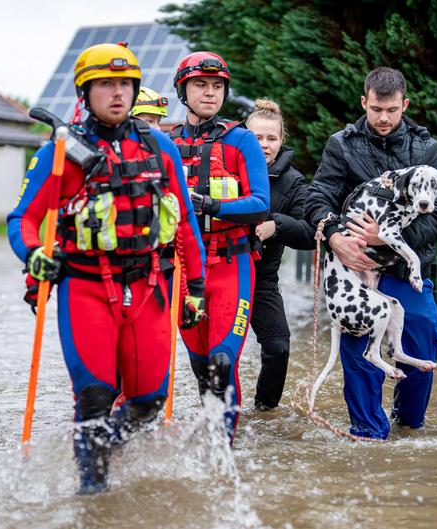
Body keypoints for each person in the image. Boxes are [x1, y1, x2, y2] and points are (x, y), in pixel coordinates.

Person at [6, 42, 207, 494]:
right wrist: (33, 253)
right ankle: (92, 492)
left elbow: (186, 225)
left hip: (150, 286)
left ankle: (101, 445)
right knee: (95, 396)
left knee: (148, 402)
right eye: (105, 85)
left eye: (124, 84)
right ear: (86, 90)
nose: (117, 93)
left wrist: (195, 287)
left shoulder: (159, 148)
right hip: (86, 288)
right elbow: (24, 220)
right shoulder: (62, 152)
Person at [304, 67, 437, 440]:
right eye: (375, 109)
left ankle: (409, 425)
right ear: (363, 103)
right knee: (358, 353)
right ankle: (369, 435)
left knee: (421, 338)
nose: (383, 118)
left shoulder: (426, 148)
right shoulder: (341, 144)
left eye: (391, 110)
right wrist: (336, 236)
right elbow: (317, 197)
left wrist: (384, 239)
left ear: (404, 104)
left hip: (404, 267)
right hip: (353, 266)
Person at [170, 51, 269, 442]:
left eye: (217, 86)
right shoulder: (164, 142)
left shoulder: (241, 140)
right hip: (182, 271)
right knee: (201, 369)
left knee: (222, 362)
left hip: (232, 266)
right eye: (200, 85)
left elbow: (261, 203)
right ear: (183, 90)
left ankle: (225, 449)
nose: (210, 93)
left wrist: (208, 204)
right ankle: (211, 439)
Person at [245, 98, 315, 411]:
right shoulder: (229, 169)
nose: (264, 145)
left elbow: (309, 233)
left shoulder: (293, 181)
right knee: (218, 352)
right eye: (257, 138)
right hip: (224, 272)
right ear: (246, 137)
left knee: (278, 346)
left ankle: (264, 410)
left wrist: (277, 225)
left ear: (281, 140)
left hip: (262, 279)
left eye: (271, 138)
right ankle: (219, 410)